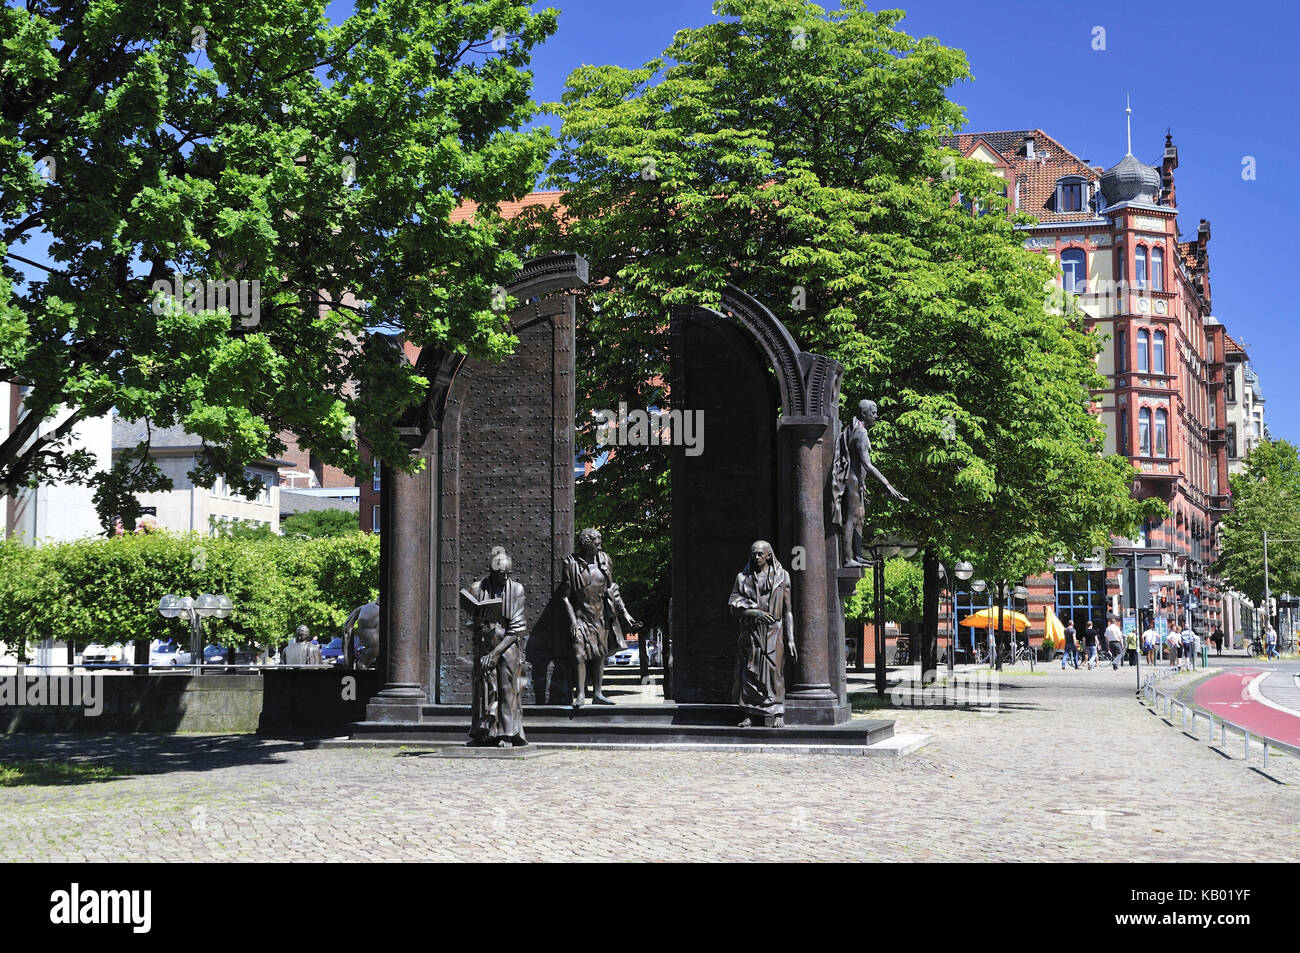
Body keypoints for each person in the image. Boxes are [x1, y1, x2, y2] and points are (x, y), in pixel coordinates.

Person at [557, 528, 642, 707]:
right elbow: (564, 596)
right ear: (587, 544)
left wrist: (625, 613)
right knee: (579, 654)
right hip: (580, 618)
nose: (600, 545)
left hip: (601, 617)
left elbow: (613, 591)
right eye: (597, 542)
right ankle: (580, 694)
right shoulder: (571, 564)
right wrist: (573, 622)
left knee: (599, 656)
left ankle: (598, 693)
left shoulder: (605, 561)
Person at [831, 399, 909, 567]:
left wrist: (863, 483)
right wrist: (888, 485)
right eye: (873, 413)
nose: (876, 416)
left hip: (857, 481)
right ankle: (847, 559)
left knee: (859, 519)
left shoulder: (856, 428)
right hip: (852, 481)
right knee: (852, 519)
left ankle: (857, 556)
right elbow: (867, 464)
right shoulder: (861, 432)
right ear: (863, 414)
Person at [464, 548, 527, 747]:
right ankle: (483, 734)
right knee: (483, 691)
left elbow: (517, 628)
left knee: (507, 689)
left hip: (507, 647)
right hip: (484, 645)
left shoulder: (516, 589)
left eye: (509, 573)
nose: (506, 577)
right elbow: (470, 621)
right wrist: (477, 621)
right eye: (502, 574)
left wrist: (496, 653)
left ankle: (507, 734)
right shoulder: (477, 588)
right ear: (492, 572)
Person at [729, 540, 796, 727]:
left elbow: (788, 611)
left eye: (760, 554)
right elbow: (733, 607)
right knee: (749, 672)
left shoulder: (782, 577)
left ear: (769, 555)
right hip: (751, 631)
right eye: (754, 553)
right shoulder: (742, 578)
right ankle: (750, 713)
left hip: (775, 631)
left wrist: (791, 638)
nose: (756, 557)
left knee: (775, 671)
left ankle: (778, 712)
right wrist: (755, 612)